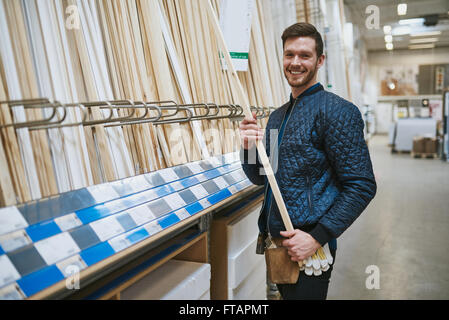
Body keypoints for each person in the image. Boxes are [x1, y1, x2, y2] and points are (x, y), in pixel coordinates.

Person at [239, 22, 377, 300]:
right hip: (279, 242)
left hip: (310, 245)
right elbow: (264, 177)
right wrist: (248, 148)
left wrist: (316, 237)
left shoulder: (338, 111)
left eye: (304, 55)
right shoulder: (278, 116)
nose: (295, 62)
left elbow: (362, 185)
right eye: (289, 55)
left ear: (320, 60)